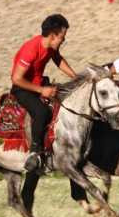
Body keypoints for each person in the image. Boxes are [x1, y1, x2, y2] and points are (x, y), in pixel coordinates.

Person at [11, 14, 76, 173]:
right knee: (41, 112)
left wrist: (77, 78)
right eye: (62, 37)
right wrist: (42, 90)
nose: (63, 40)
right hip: (23, 88)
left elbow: (58, 60)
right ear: (53, 36)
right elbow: (16, 78)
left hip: (39, 84)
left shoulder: (50, 47)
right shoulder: (31, 49)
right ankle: (35, 152)